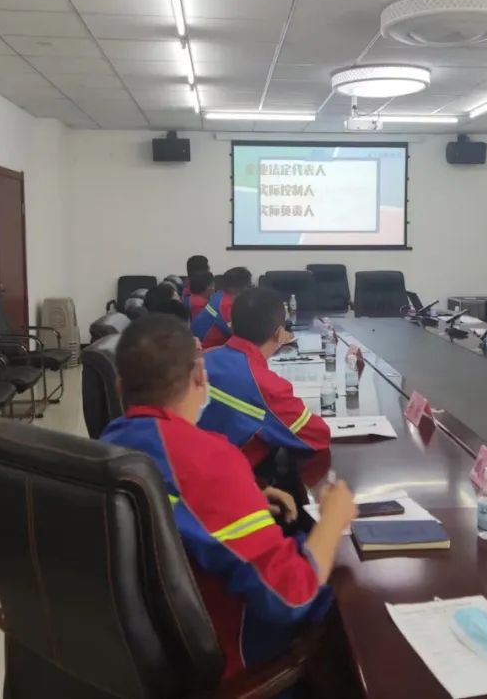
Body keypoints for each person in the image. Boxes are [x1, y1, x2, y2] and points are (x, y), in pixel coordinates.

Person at [99, 315, 356, 678]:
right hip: (229, 655)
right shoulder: (210, 462)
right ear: (199, 376)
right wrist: (332, 519)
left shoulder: (110, 441)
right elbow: (290, 596)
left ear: (120, 386)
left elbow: (180, 507)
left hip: (143, 649)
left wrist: (245, 496)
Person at [200, 287, 331, 468]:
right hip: (233, 477)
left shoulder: (202, 359)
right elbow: (318, 436)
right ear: (279, 334)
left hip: (192, 469)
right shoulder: (267, 387)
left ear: (232, 325)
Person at [192, 266, 252, 349]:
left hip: (202, 340)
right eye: (248, 285)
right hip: (205, 347)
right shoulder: (225, 305)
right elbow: (236, 333)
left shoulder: (220, 294)